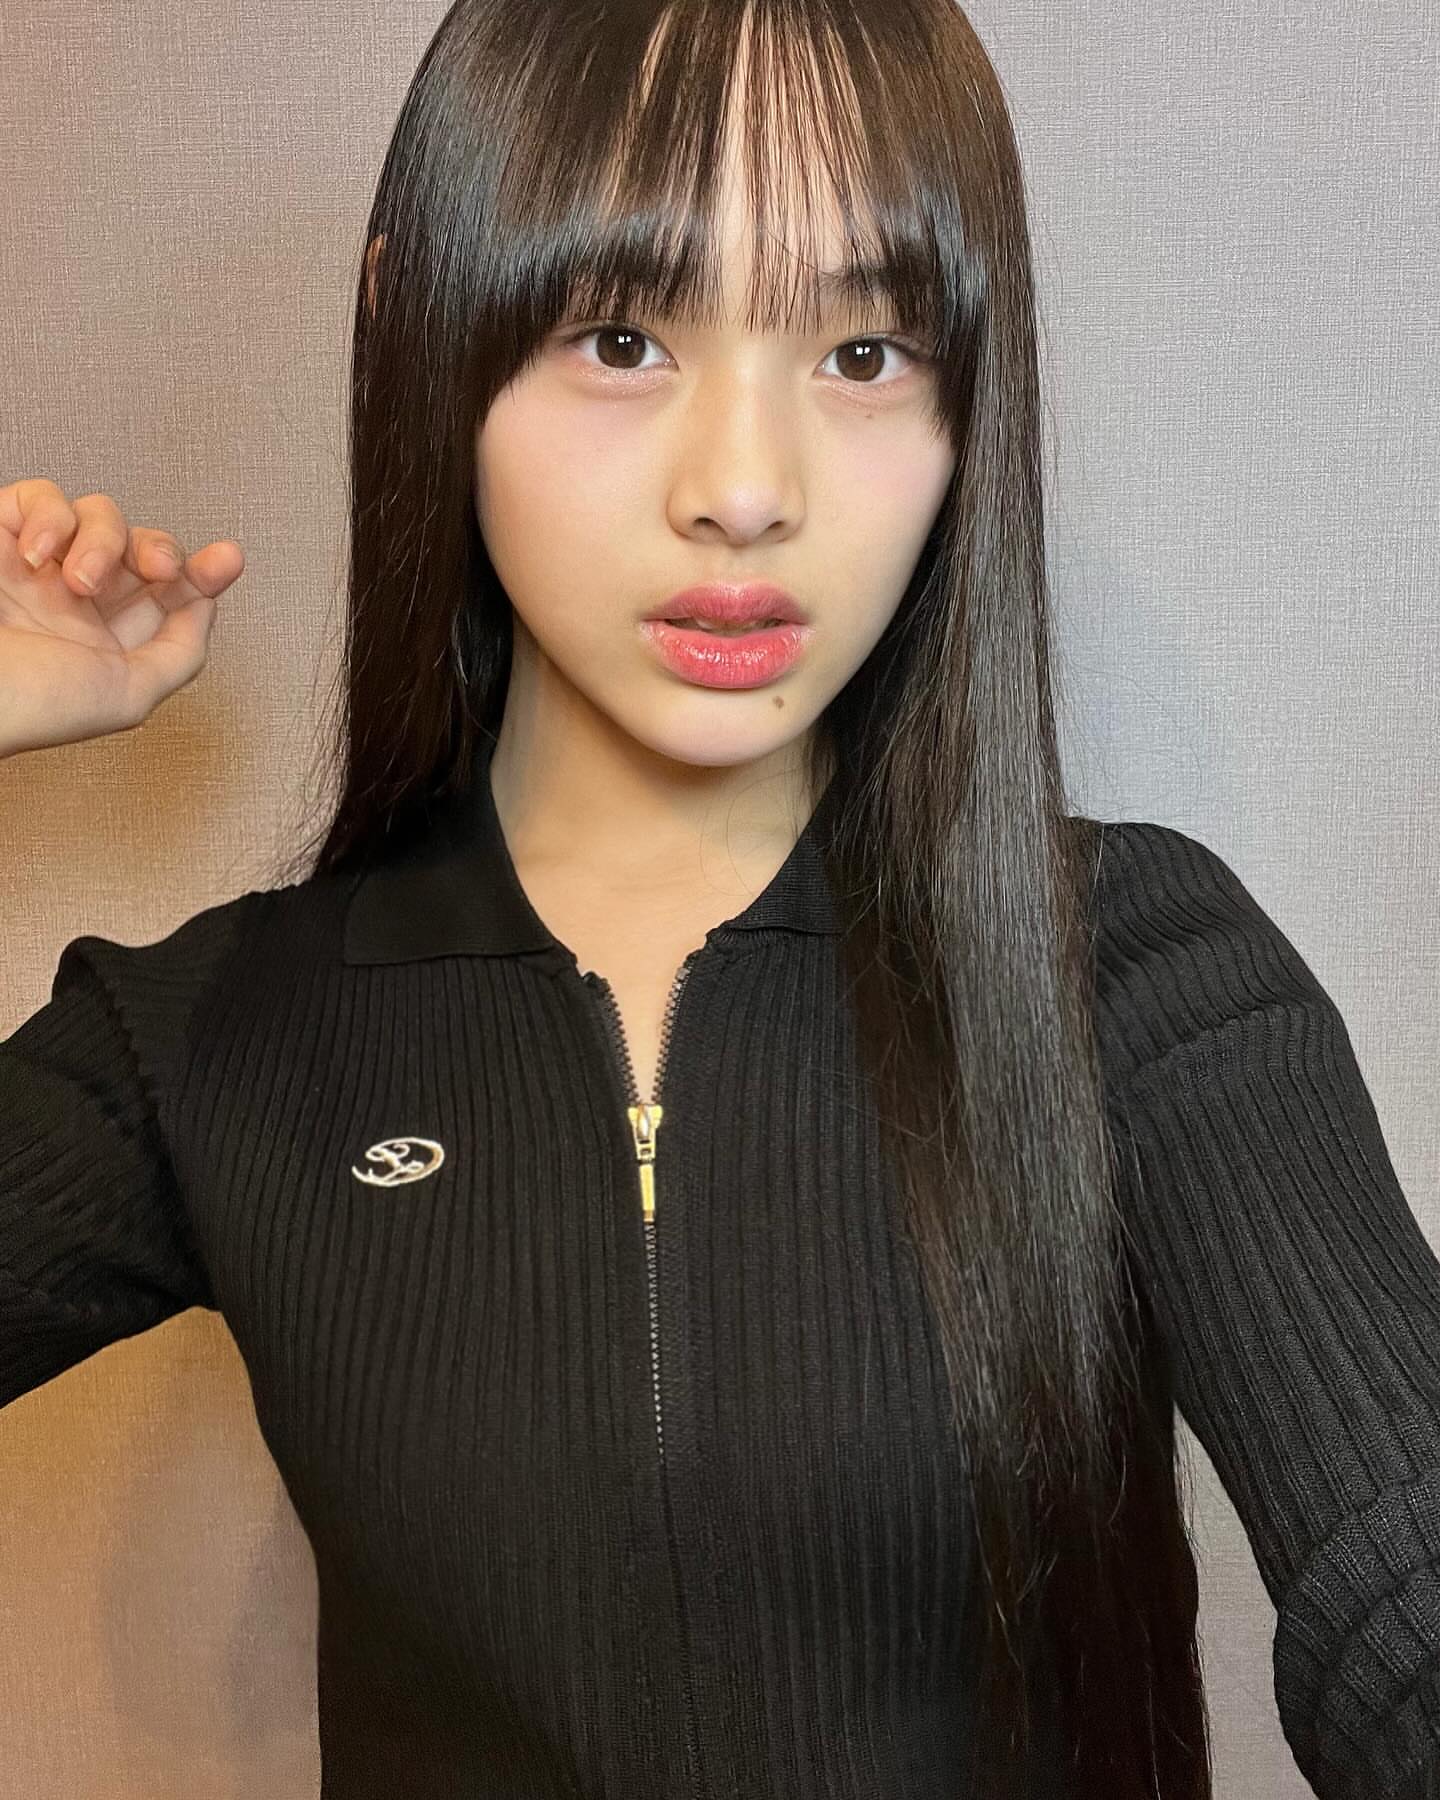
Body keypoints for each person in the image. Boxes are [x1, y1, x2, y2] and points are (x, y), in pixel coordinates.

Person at [3, 2, 1437, 1796]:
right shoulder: (215, 1039)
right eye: (623, 338)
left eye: (864, 352)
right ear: (414, 323)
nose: (746, 491)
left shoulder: (1131, 971)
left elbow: (1408, 1575)